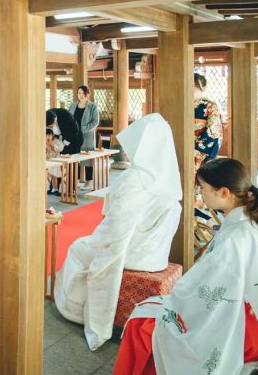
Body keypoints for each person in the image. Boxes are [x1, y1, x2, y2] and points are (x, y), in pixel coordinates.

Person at [110, 158, 258, 375]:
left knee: (142, 322)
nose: (200, 195)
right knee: (151, 310)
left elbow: (206, 294)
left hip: (241, 332)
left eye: (203, 189)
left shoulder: (236, 239)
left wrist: (175, 301)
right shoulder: (248, 222)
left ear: (224, 193)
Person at [53, 113, 182, 350]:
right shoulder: (167, 175)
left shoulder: (136, 178)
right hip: (157, 253)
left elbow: (117, 228)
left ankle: (73, 309)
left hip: (133, 252)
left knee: (77, 249)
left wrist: (95, 239)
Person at [193, 73, 224, 222]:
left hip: (200, 154)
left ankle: (201, 225)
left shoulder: (209, 106)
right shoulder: (181, 104)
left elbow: (213, 131)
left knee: (201, 187)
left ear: (201, 86)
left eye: (194, 87)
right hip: (181, 151)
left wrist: (195, 150)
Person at [70, 85, 100, 191]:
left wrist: (82, 129)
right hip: (75, 136)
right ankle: (76, 180)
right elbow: (70, 118)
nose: (80, 95)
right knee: (76, 158)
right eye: (79, 93)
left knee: (87, 159)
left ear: (87, 94)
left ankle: (88, 183)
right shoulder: (73, 105)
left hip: (87, 136)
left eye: (83, 93)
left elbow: (95, 122)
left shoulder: (92, 106)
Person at [46, 128, 65, 195]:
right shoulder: (42, 140)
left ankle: (55, 189)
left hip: (55, 160)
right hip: (46, 160)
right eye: (46, 135)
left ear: (53, 135)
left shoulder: (57, 141)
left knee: (54, 173)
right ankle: (48, 188)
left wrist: (51, 145)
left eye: (49, 135)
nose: (48, 136)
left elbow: (60, 148)